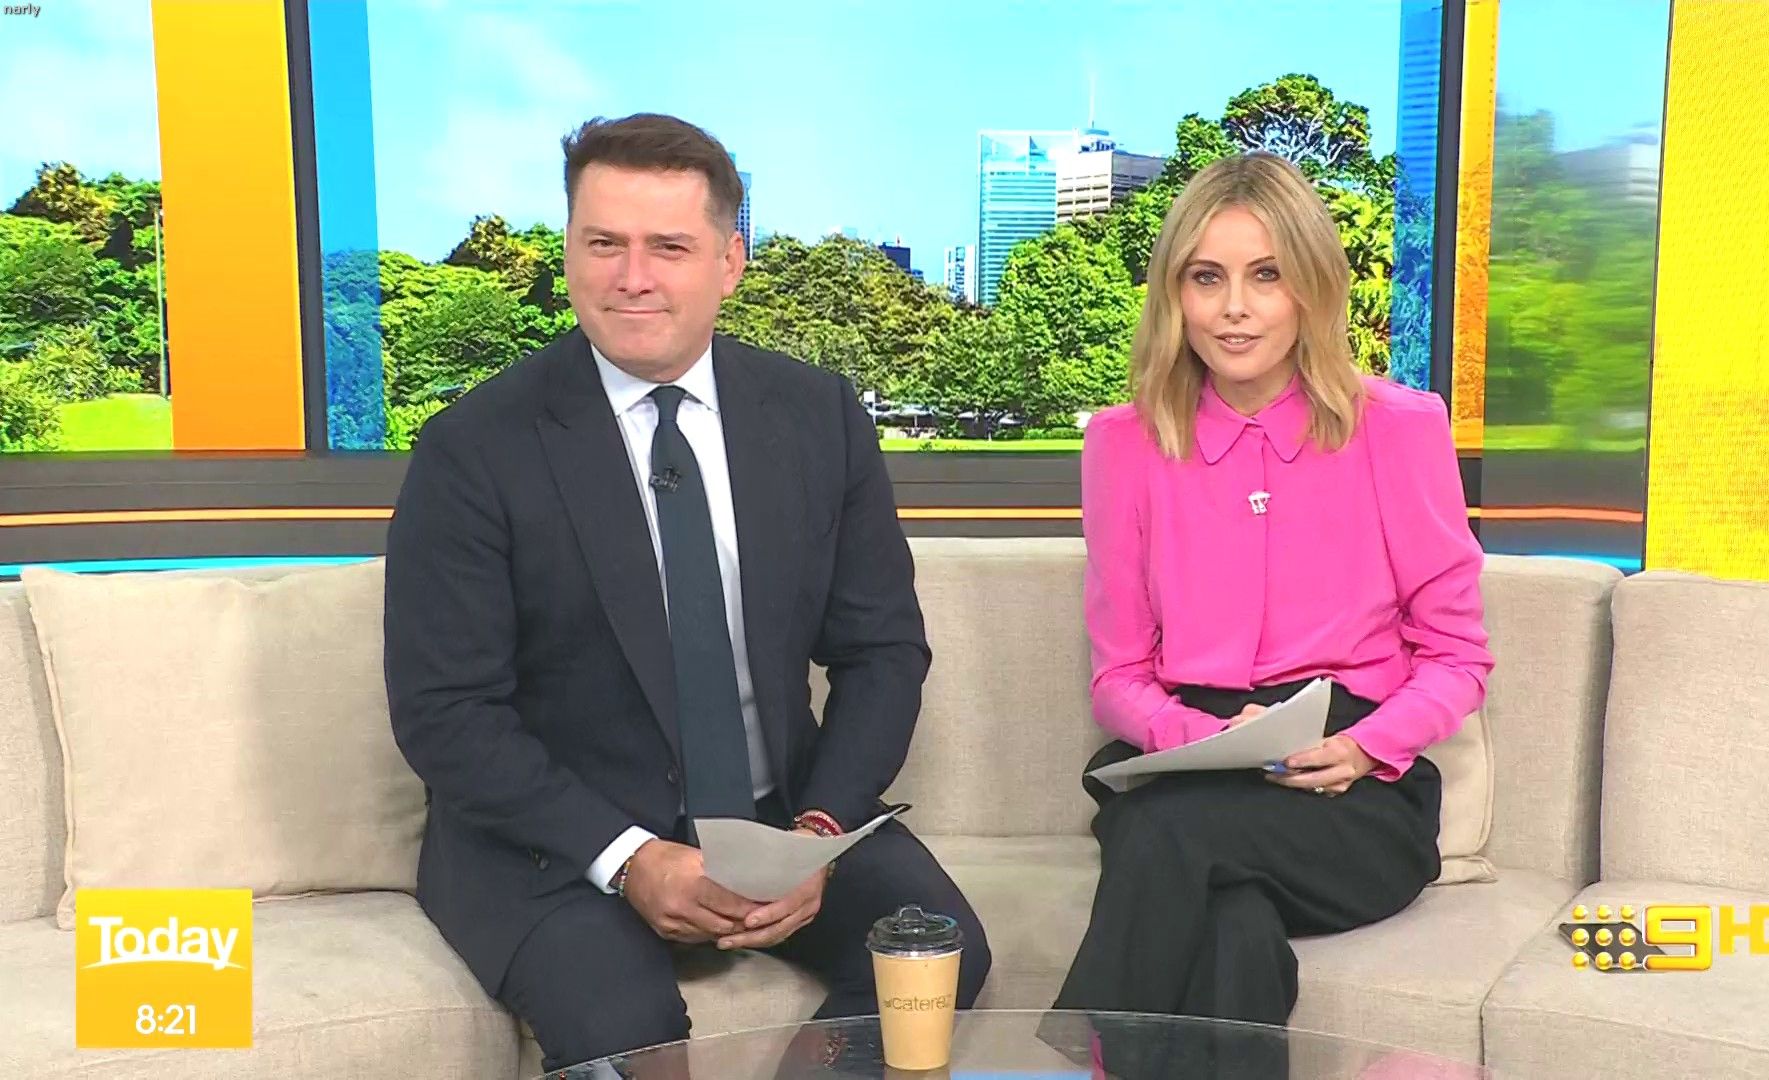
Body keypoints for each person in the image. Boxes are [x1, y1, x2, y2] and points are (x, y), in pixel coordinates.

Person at [383, 113, 989, 1074]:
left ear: (729, 261)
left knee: (936, 954)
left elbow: (882, 653)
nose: (633, 277)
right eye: (604, 244)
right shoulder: (472, 447)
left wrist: (817, 837)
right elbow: (446, 713)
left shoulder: (819, 417)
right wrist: (630, 858)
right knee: (628, 1031)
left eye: (668, 247)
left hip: (779, 817)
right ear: (570, 251)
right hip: (556, 843)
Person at [1050, 152, 1494, 1030]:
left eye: (1266, 275)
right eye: (1206, 278)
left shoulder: (1400, 429)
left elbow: (1458, 658)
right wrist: (1203, 737)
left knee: (1162, 838)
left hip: (1353, 787)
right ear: (1175, 294)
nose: (1235, 308)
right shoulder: (1123, 444)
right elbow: (1119, 677)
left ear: (1311, 289)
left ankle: (1077, 1059)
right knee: (1232, 931)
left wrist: (1364, 746)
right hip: (1192, 761)